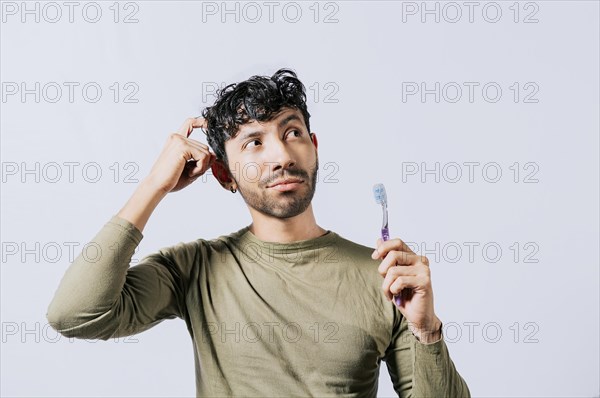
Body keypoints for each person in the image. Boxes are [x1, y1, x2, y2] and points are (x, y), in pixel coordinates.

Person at [46, 68, 471, 397]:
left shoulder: (386, 276)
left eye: (292, 133)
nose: (282, 155)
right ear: (224, 173)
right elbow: (75, 315)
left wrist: (426, 328)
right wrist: (153, 186)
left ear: (314, 146)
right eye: (253, 143)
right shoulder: (194, 269)